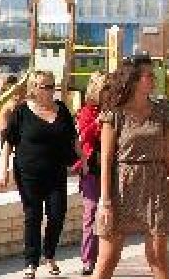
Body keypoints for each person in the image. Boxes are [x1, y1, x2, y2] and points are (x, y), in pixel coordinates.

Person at [92, 54, 169, 279]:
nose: (153, 79)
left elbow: (168, 154)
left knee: (158, 258)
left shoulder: (161, 112)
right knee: (108, 259)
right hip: (122, 185)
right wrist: (105, 201)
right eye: (148, 75)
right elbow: (106, 160)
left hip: (155, 184)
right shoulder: (114, 114)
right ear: (134, 79)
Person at [1, 70, 79, 279]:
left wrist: (84, 161)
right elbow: (9, 141)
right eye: (46, 86)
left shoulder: (62, 109)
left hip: (56, 173)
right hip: (28, 173)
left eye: (52, 86)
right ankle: (31, 263)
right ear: (34, 88)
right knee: (32, 217)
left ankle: (50, 254)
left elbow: (74, 138)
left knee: (57, 214)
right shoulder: (22, 111)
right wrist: (4, 171)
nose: (50, 90)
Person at [76, 72, 108, 276]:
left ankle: (105, 257)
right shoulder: (87, 111)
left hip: (108, 166)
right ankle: (88, 259)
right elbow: (82, 135)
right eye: (105, 88)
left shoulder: (113, 110)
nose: (108, 92)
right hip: (90, 167)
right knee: (91, 212)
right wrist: (98, 122)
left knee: (107, 214)